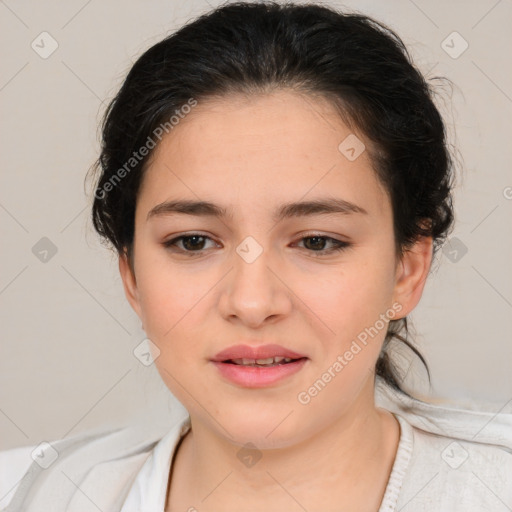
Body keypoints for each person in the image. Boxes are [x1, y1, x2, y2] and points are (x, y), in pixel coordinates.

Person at [1, 2, 511, 511]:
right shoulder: (27, 493)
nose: (251, 302)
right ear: (131, 273)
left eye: (317, 241)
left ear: (407, 269)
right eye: (193, 241)